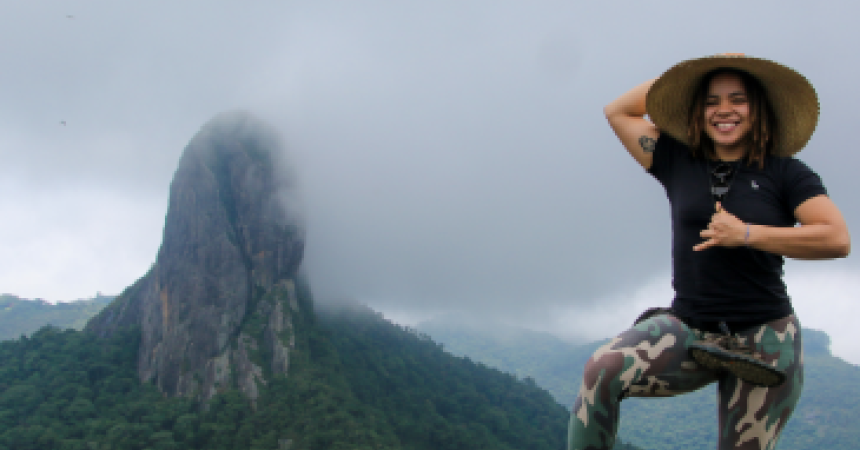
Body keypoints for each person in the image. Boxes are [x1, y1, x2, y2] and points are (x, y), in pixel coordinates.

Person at [568, 54, 851, 450]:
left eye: (738, 100)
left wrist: (747, 234)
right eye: (711, 101)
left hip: (764, 341)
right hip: (689, 328)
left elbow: (836, 238)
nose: (724, 111)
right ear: (697, 112)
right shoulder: (675, 159)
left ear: (758, 110)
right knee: (601, 371)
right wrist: (685, 80)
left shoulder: (787, 173)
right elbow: (618, 111)